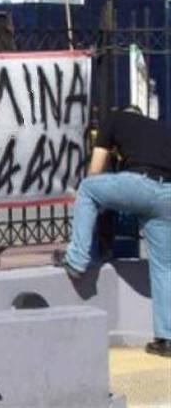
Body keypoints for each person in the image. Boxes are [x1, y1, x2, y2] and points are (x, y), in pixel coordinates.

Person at [53, 106, 171, 358]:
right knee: (163, 267)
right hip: (168, 195)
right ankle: (166, 339)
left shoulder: (114, 119)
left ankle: (76, 259)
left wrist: (103, 201)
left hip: (141, 183)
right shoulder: (160, 129)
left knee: (88, 189)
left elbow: (95, 170)